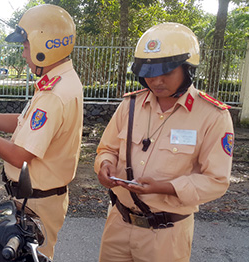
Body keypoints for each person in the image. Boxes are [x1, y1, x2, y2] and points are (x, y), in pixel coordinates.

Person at [94, 22, 234, 261]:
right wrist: (104, 165)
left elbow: (217, 180)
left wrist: (164, 187)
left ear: (188, 69)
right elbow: (107, 149)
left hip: (166, 236)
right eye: (149, 73)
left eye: (166, 72)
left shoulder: (212, 116)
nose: (156, 81)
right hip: (118, 223)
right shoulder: (130, 105)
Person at [0, 4, 83, 258]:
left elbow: (20, 156)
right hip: (34, 200)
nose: (23, 54)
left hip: (37, 204)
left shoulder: (54, 95)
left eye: (25, 46)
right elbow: (21, 122)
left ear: (45, 45)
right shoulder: (57, 83)